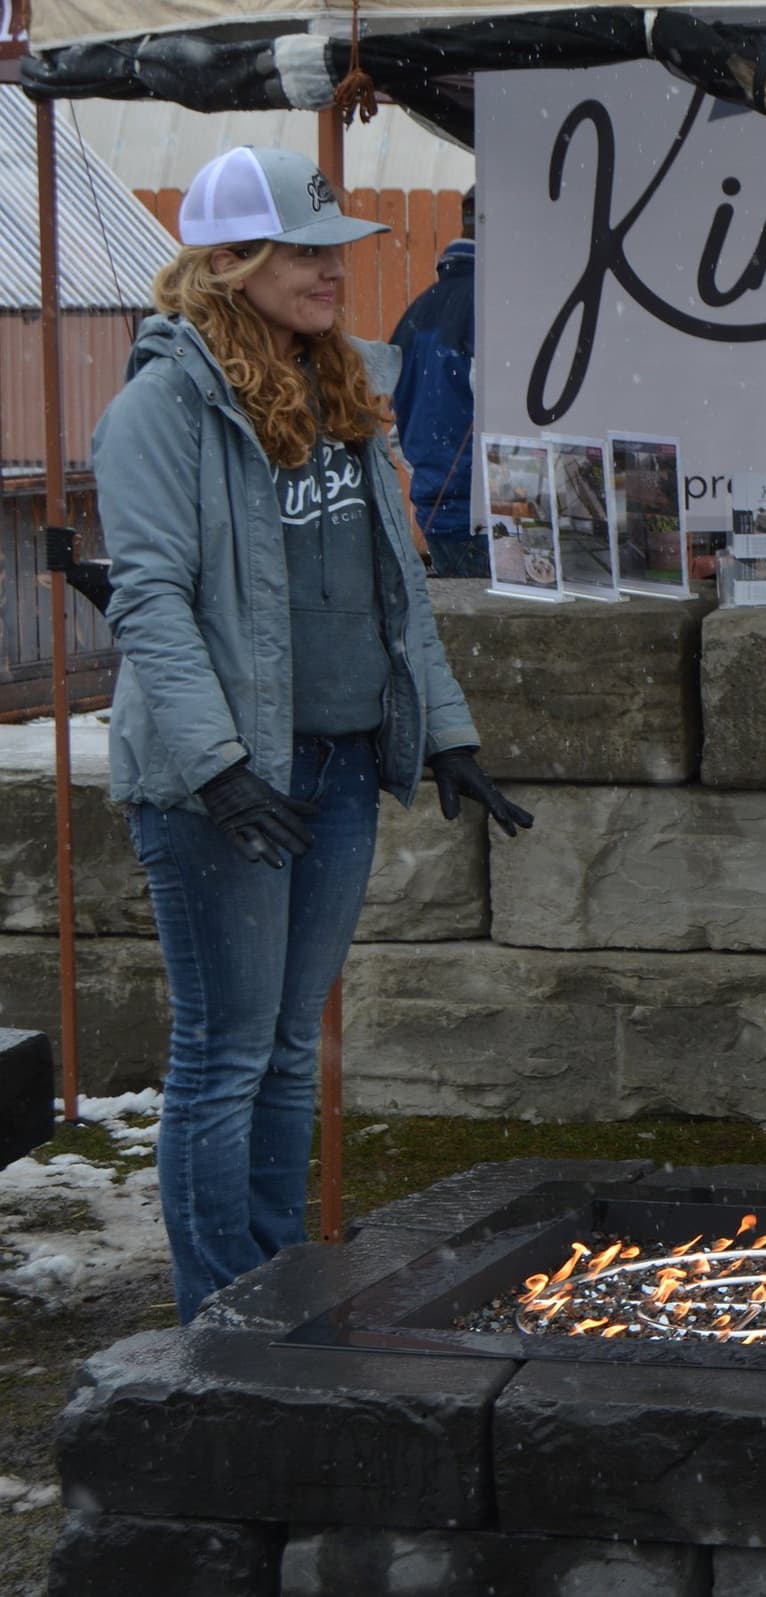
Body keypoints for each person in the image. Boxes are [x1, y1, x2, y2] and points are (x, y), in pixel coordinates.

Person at [94, 146, 534, 1323]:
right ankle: (220, 1316)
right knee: (225, 1057)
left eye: (334, 250)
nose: (332, 271)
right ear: (229, 264)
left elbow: (393, 594)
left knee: (291, 1049)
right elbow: (150, 602)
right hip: (225, 783)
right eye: (305, 251)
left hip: (338, 763)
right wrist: (220, 769)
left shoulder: (344, 396)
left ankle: (278, 1291)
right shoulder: (161, 408)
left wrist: (447, 734)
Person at [391, 187, 482, 575]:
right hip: (494, 523)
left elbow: (397, 432)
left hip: (439, 515)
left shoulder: (416, 311)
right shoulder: (497, 304)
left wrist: (434, 478)